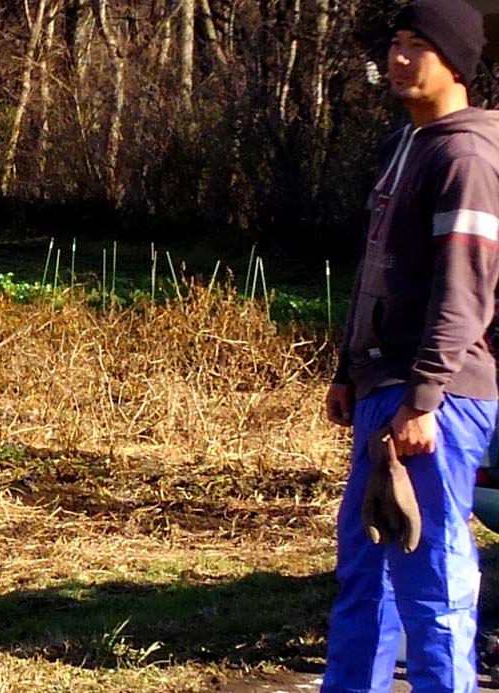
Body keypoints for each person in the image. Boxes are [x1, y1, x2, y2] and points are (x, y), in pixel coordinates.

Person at [322, 1, 499, 691]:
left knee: (431, 576)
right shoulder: (409, 144)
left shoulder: (467, 155)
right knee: (367, 568)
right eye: (394, 43)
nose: (397, 58)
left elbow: (465, 292)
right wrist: (347, 370)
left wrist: (423, 398)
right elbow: (375, 271)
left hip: (439, 395)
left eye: (416, 45)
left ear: (455, 62)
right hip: (385, 387)